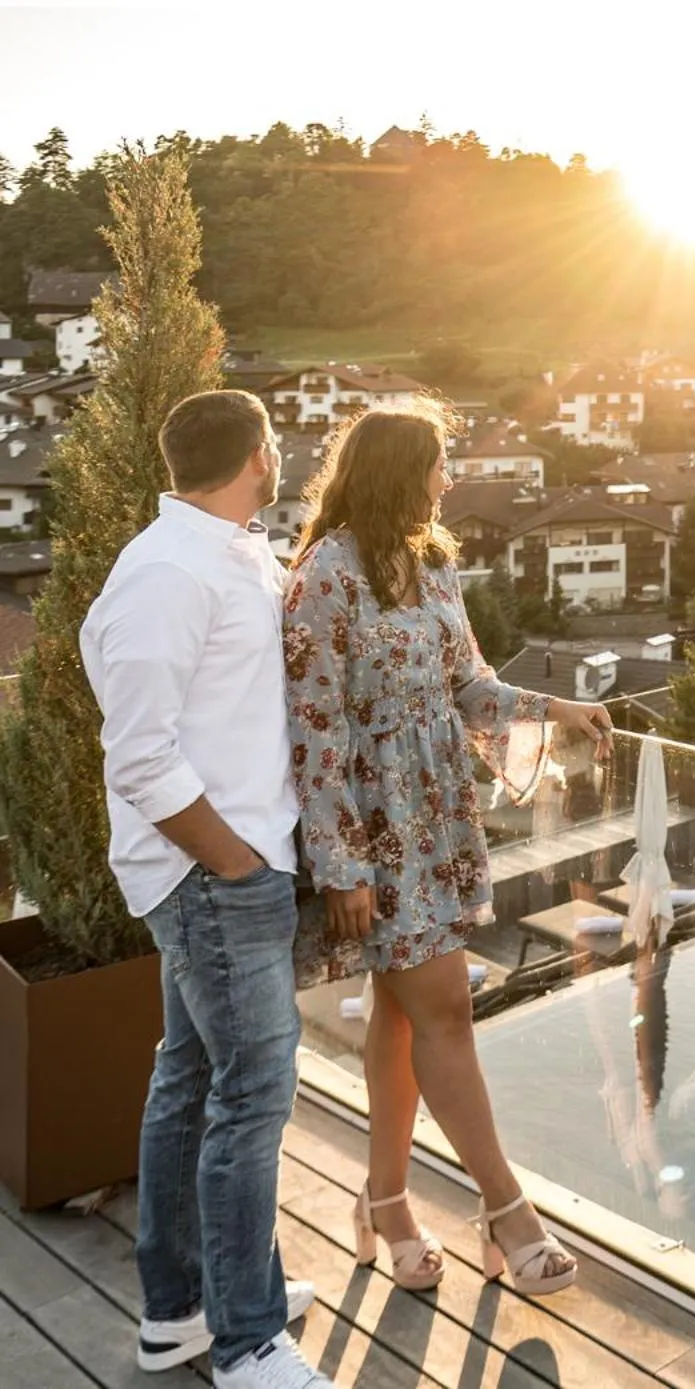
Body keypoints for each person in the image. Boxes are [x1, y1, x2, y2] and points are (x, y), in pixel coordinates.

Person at [284, 402, 611, 1296]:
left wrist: (560, 710)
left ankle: (383, 1202)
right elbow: (312, 729)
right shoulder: (324, 575)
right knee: (446, 1013)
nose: (450, 478)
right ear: (397, 469)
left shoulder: (429, 564)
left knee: (402, 1015)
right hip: (375, 831)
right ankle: (508, 1212)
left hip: (433, 817)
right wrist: (340, 862)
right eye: (439, 462)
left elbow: (469, 685)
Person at [80, 390, 325, 1387]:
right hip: (215, 875)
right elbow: (140, 756)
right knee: (252, 1098)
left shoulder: (232, 552)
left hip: (231, 868)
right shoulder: (167, 573)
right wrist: (234, 861)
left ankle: (182, 1309)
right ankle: (248, 1339)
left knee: (189, 1080)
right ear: (260, 457)